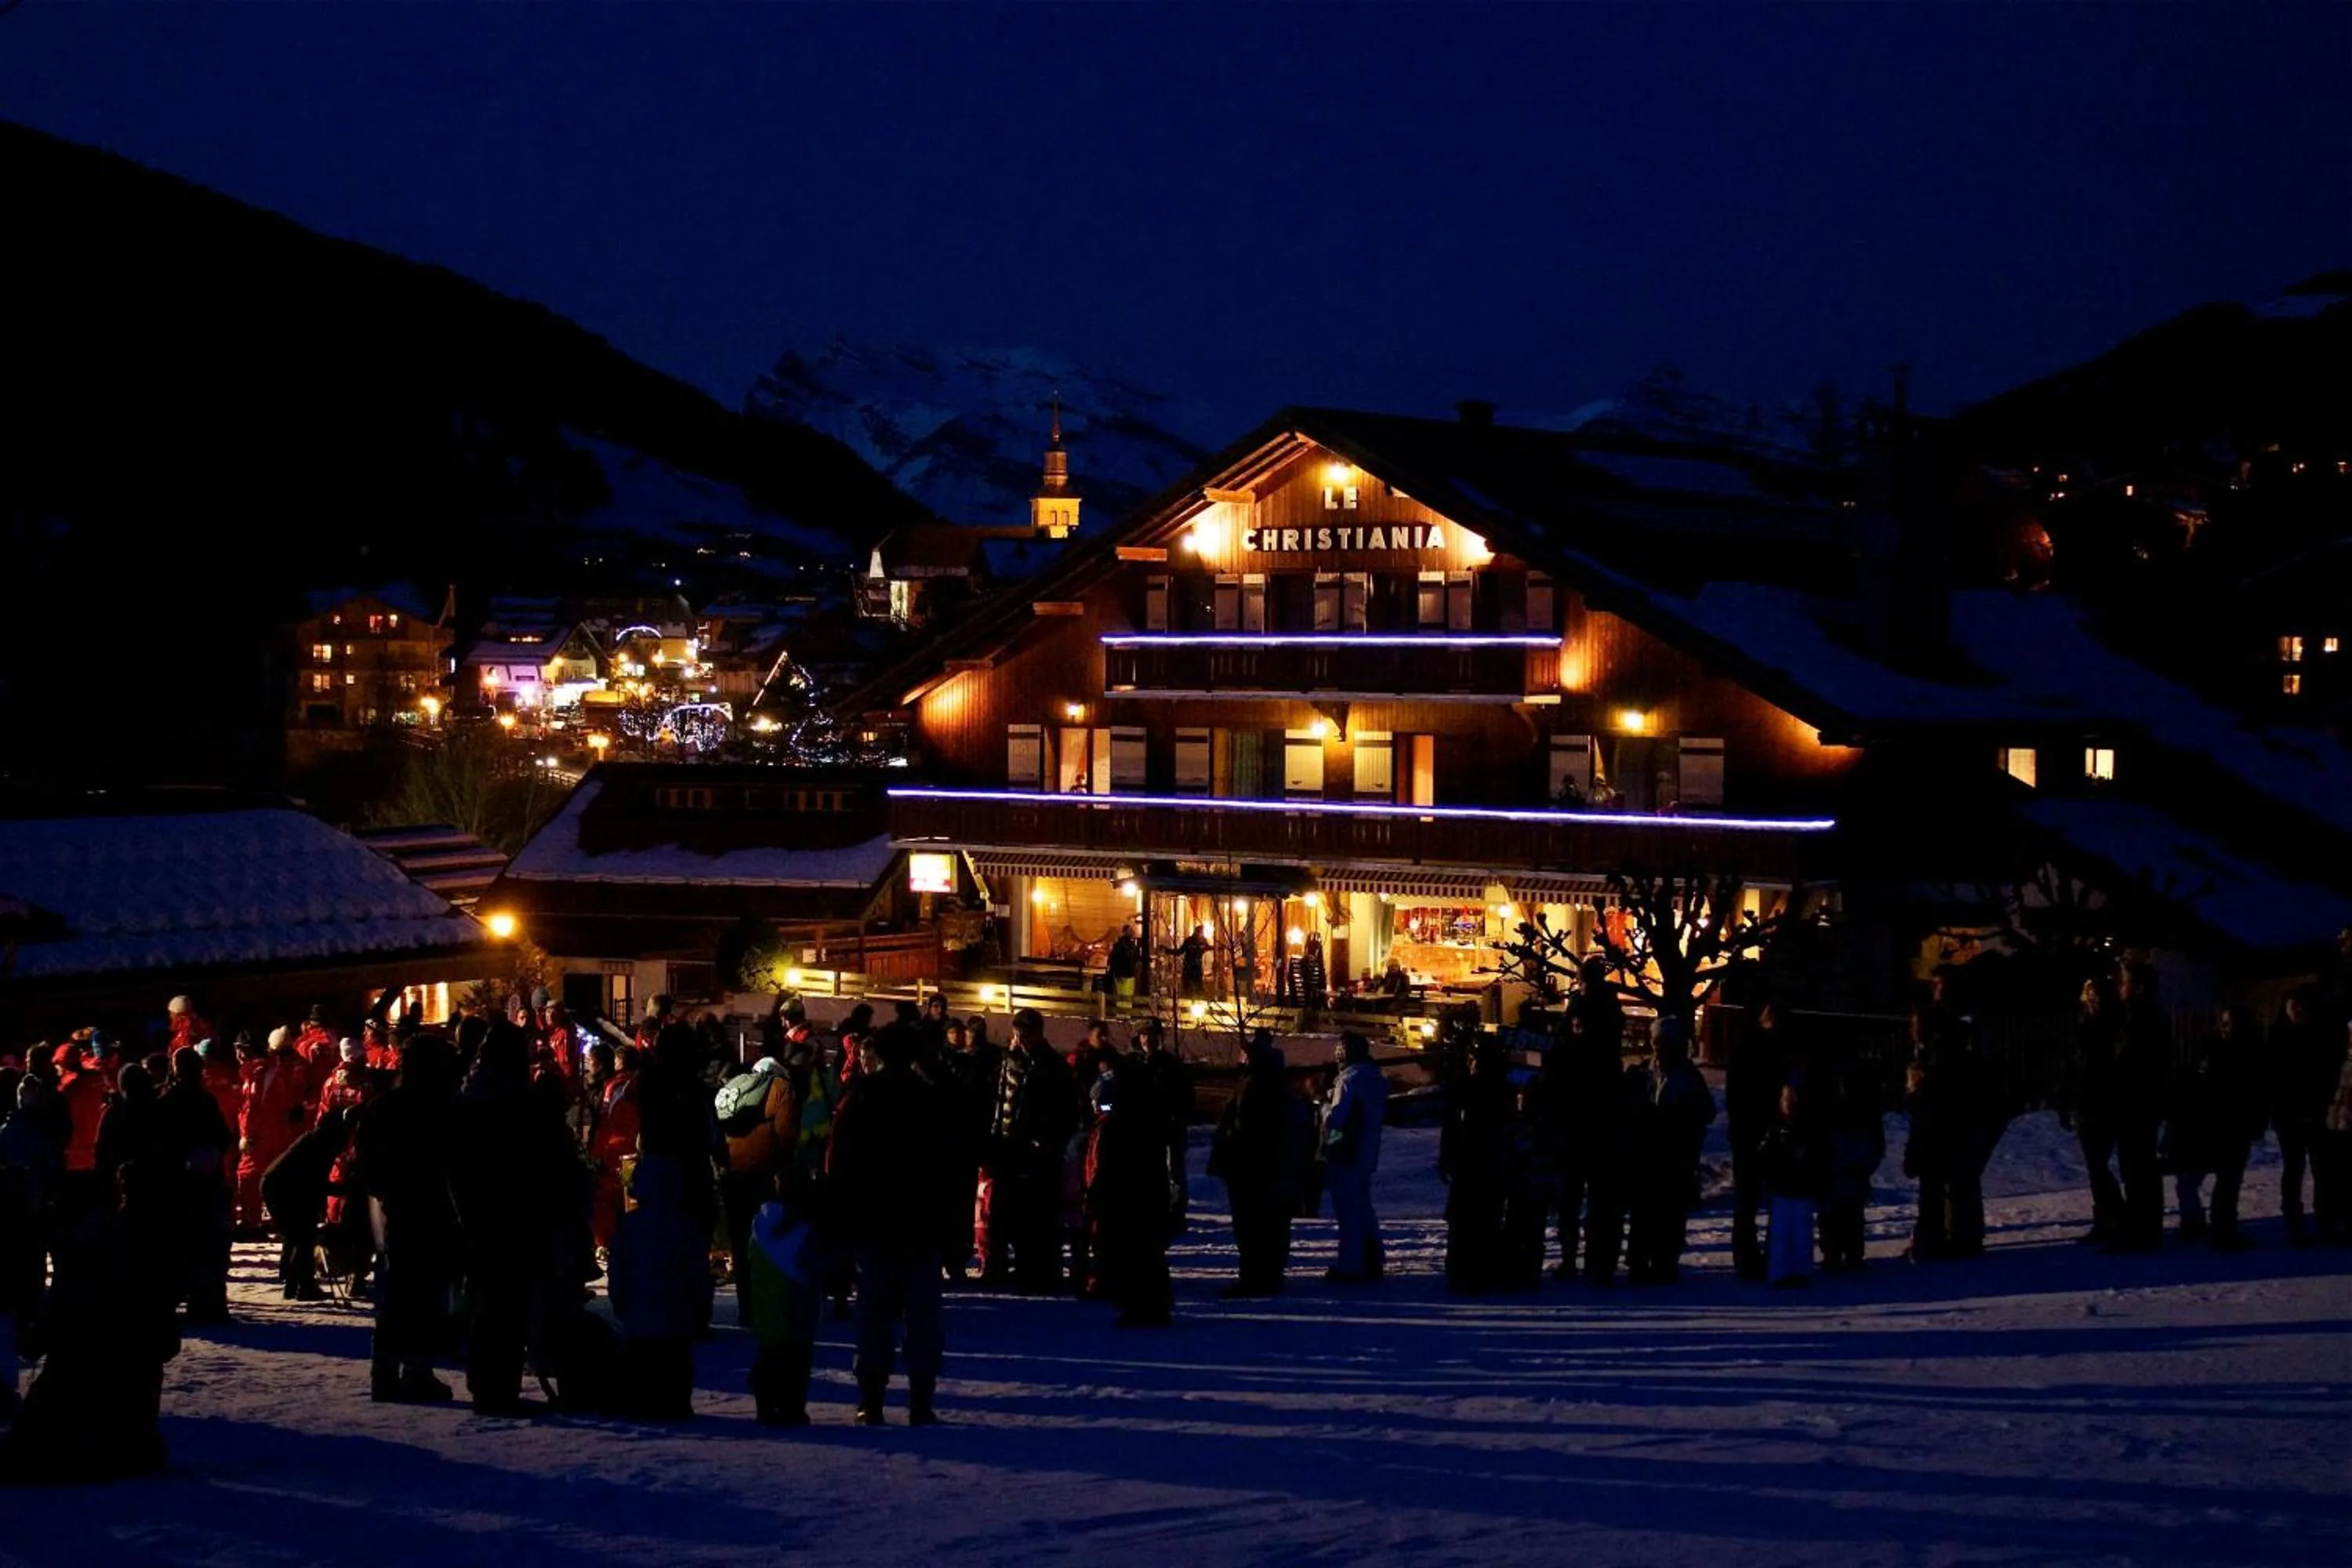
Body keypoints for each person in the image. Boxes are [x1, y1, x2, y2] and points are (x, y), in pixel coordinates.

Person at [0, 1158, 183, 1483]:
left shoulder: (83, 1254)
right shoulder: (139, 1246)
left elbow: (41, 1335)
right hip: (133, 1417)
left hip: (85, 1405)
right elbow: (167, 1340)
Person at [827, 1022, 956, 1424]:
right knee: (921, 1315)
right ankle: (920, 1399)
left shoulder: (860, 1098)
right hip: (919, 1222)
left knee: (873, 1312)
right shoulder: (929, 1100)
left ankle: (872, 1397)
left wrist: (840, 1220)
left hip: (873, 1221)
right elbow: (946, 1169)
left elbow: (839, 1164)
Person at [351, 1032, 461, 1404]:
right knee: (423, 1295)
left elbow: (364, 1166)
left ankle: (385, 1373)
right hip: (426, 1211)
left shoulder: (383, 1108)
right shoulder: (440, 1109)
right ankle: (415, 1371)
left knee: (395, 1296)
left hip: (392, 1213)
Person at [607, 1152, 706, 1421]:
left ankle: (645, 1402)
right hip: (674, 1313)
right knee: (674, 1361)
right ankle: (675, 1403)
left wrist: (620, 1298)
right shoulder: (684, 1226)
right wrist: (695, 1302)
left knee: (644, 1360)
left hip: (640, 1314)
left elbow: (619, 1267)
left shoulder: (630, 1227)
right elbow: (695, 1270)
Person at [986, 1010, 1080, 1292]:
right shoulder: (1011, 1063)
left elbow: (1066, 1108)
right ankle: (1007, 1265)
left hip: (1039, 1150)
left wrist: (1047, 1137)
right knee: (1006, 1210)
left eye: (1024, 1034)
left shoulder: (1051, 1065)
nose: (1019, 1039)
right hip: (1010, 1146)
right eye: (1017, 1033)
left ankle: (1040, 1270)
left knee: (1039, 1214)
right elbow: (1001, 1102)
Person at [1624, 1016, 1715, 1283]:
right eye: (1657, 1043)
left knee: (1670, 1212)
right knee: (1644, 1211)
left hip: (1675, 1153)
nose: (1660, 1049)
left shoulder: (1688, 1077)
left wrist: (1680, 1121)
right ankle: (1639, 1262)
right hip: (1646, 1151)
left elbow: (1706, 1111)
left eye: (1666, 1043)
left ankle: (1665, 1262)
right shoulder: (1643, 1072)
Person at [2164, 1007, 2263, 1250]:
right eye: (2224, 1023)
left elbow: (2259, 1093)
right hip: (2214, 1125)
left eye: (2230, 1023)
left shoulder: (2252, 1054)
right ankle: (2209, 1225)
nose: (2225, 1028)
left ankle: (2219, 1226)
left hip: (2234, 1124)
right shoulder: (2213, 1051)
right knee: (2205, 1177)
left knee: (2225, 1180)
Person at [1084, 1060, 1174, 1327]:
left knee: (1132, 1251)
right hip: (1146, 1193)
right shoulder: (1148, 1115)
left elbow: (1107, 1167)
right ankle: (1150, 1304)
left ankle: (1141, 1305)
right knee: (1145, 1251)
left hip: (1126, 1197)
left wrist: (1096, 1195)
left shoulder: (1118, 1124)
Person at [1212, 1030, 1294, 1297]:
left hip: (1250, 1164)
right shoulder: (1274, 1083)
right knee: (1270, 1222)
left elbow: (1242, 1125)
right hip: (1266, 1163)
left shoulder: (1254, 1085)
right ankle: (1268, 1273)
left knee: (1252, 1223)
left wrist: (1230, 1149)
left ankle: (1255, 1276)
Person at [159, 1047, 235, 1323]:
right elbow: (223, 1137)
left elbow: (162, 1142)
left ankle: (186, 1297)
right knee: (210, 1245)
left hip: (181, 1186)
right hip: (209, 1182)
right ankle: (210, 1302)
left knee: (182, 1245)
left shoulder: (168, 1101)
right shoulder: (206, 1100)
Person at [742, 1177, 822, 1427]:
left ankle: (765, 1403)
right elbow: (814, 1266)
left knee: (769, 1355)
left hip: (766, 1311)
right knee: (796, 1360)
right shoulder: (805, 1233)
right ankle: (792, 1406)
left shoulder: (759, 1228)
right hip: (797, 1309)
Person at [1439, 1044, 1514, 1293]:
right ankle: (1477, 1270)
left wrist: (1447, 1156)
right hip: (1486, 1163)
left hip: (1472, 1162)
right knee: (1483, 1218)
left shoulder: (1468, 1089)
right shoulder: (1503, 1091)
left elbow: (1452, 1127)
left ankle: (1465, 1270)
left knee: (1467, 1219)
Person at [1724, 1003, 1789, 1282]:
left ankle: (1748, 1255)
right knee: (1765, 1197)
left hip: (1751, 1130)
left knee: (1749, 1200)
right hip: (1761, 1128)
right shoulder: (1775, 1052)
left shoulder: (1747, 1049)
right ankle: (1764, 1254)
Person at [2108, 963, 2171, 1254]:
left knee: (2138, 1168)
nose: (2121, 987)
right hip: (2136, 1103)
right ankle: (2143, 1228)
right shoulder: (2138, 1016)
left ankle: (2142, 1230)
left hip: (2137, 1104)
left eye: (2125, 982)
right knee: (2138, 1168)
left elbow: (2133, 1064)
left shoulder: (2142, 1018)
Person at [2266, 991, 2336, 1245]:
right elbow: (2273, 1081)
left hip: (2316, 1114)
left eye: (2301, 1007)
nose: (2298, 1012)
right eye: (2293, 1007)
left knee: (2323, 1172)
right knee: (2294, 1171)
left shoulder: (2321, 1037)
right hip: (2289, 1116)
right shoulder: (2277, 1039)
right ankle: (2295, 1223)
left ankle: (2325, 1220)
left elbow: (2328, 1077)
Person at [261, 1106, 350, 1302]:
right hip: (283, 1189)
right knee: (303, 1235)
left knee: (295, 1236)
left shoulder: (316, 1140)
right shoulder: (322, 1145)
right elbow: (315, 1182)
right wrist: (339, 1191)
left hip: (278, 1184)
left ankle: (293, 1285)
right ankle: (304, 1286)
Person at [1813, 1038, 1885, 1272]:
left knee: (1839, 1209)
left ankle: (1838, 1253)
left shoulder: (1828, 1082)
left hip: (1840, 1147)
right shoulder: (1858, 1083)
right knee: (1847, 1209)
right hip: (1846, 1148)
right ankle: (1848, 1253)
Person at [1323, 1031, 1388, 1282]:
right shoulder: (1374, 1079)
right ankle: (1372, 1257)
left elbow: (1338, 1120)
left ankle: (1352, 1264)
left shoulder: (1348, 1081)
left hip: (1348, 1154)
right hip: (1366, 1152)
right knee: (1362, 1207)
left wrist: (1329, 1145)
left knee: (1348, 1211)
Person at [2067, 976, 2124, 1245]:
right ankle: (2108, 1214)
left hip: (2103, 1100)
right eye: (2089, 995)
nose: (2092, 1001)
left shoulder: (2110, 1027)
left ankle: (2111, 1215)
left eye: (2096, 995)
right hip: (2087, 1100)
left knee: (2098, 1164)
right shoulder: (2085, 1025)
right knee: (2095, 1165)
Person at [236, 1027, 309, 1236]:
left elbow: (251, 1106)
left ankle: (252, 1222)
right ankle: (279, 1219)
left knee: (248, 1176)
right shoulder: (281, 1068)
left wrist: (247, 1135)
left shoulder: (258, 1073)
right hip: (281, 1131)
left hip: (261, 1134)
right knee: (276, 1175)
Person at [1761, 1083, 1829, 1287]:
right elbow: (1766, 1155)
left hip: (1801, 1188)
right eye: (1786, 1102)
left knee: (1801, 1232)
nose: (1790, 1106)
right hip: (1782, 1188)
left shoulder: (1808, 1130)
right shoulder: (1775, 1128)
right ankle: (1779, 1272)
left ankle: (1801, 1271)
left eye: (1793, 1102)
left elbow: (1818, 1157)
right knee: (1781, 1233)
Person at [2317, 1020, 2352, 1247]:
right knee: (2335, 1179)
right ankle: (2335, 1223)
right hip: (2336, 1126)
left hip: (2345, 1125)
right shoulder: (2342, 1058)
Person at [1107, 921, 1142, 1011]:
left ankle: (1122, 1012)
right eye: (1130, 931)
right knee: (1126, 994)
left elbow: (1113, 959)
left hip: (1124, 973)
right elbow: (1116, 959)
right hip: (1126, 973)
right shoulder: (1127, 945)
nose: (1132, 932)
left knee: (1123, 994)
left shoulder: (1121, 945)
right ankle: (1125, 1013)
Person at [1177, 925, 1210, 998]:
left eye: (1201, 932)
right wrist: (1167, 951)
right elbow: (1179, 952)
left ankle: (1197, 1001)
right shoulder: (1189, 941)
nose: (1199, 934)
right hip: (1188, 968)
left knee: (1198, 987)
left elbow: (1208, 947)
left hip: (1197, 968)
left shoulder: (1203, 941)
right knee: (1187, 987)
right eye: (1199, 932)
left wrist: (1220, 948)